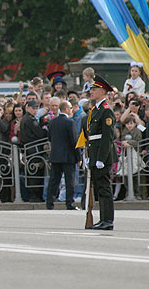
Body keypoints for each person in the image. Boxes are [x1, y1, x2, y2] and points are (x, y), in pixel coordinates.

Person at [84, 75, 117, 230]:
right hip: (95, 153)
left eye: (95, 89)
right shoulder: (96, 109)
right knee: (99, 189)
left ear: (103, 91)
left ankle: (108, 220)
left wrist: (101, 158)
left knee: (104, 189)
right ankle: (103, 219)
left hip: (102, 156)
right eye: (91, 89)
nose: (92, 91)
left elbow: (107, 137)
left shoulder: (106, 111)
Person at [46, 101, 82, 210]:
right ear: (66, 108)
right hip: (68, 156)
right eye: (70, 108)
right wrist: (78, 157)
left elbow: (50, 138)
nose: (71, 110)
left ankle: (49, 203)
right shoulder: (69, 123)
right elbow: (74, 141)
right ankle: (69, 203)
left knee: (53, 181)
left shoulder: (52, 122)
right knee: (69, 181)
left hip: (56, 155)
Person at [20, 100, 47, 202]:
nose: (35, 110)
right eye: (33, 108)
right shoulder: (30, 120)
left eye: (36, 108)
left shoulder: (28, 118)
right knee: (34, 172)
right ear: (27, 108)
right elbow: (40, 134)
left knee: (33, 172)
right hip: (33, 149)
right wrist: (44, 128)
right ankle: (34, 195)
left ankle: (35, 195)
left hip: (30, 148)